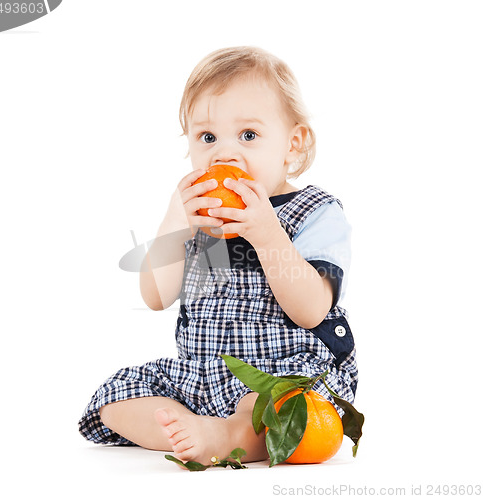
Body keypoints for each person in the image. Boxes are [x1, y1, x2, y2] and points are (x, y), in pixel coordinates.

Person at [78, 46, 358, 465]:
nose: (224, 154)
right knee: (114, 398)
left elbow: (312, 309)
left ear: (293, 144)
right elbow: (157, 297)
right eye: (207, 138)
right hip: (205, 376)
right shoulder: (199, 219)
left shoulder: (316, 212)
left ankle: (228, 434)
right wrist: (174, 224)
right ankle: (188, 428)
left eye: (248, 135)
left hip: (283, 374)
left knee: (281, 408)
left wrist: (267, 235)